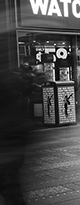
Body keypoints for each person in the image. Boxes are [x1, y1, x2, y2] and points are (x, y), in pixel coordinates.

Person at [0, 63, 46, 205]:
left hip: (9, 145)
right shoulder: (10, 81)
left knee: (11, 188)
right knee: (11, 189)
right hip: (10, 144)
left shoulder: (9, 82)